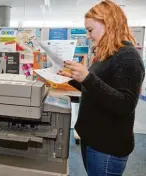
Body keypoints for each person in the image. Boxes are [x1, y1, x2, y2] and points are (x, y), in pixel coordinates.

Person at [58, 0, 145, 175]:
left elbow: (125, 105)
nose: (88, 36)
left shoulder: (128, 57)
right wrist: (74, 79)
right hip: (92, 140)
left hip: (107, 147)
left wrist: (87, 78)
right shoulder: (106, 54)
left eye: (90, 30)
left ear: (109, 25)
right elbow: (97, 90)